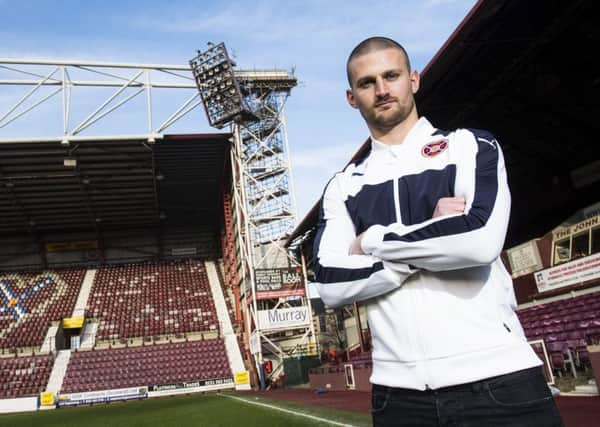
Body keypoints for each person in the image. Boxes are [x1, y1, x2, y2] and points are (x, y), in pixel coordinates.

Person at [313, 36, 564, 426]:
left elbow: (477, 241)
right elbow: (329, 283)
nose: (381, 90)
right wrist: (431, 239)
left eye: (391, 75)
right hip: (398, 398)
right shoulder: (344, 186)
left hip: (499, 381)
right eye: (367, 83)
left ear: (413, 79)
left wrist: (369, 242)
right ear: (351, 97)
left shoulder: (469, 146)